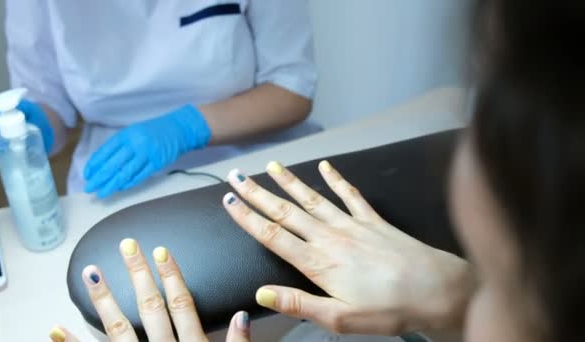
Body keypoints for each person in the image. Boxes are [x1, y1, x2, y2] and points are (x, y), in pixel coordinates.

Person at [52, 1, 585, 341]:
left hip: (255, 149)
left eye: (481, 108)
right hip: (109, 176)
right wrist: (461, 297)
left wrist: (187, 126)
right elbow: (44, 96)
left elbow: (292, 87)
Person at [0, 0, 318, 198]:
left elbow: (291, 90)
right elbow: (50, 103)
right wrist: (31, 127)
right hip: (116, 177)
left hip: (253, 159)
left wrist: (187, 127)